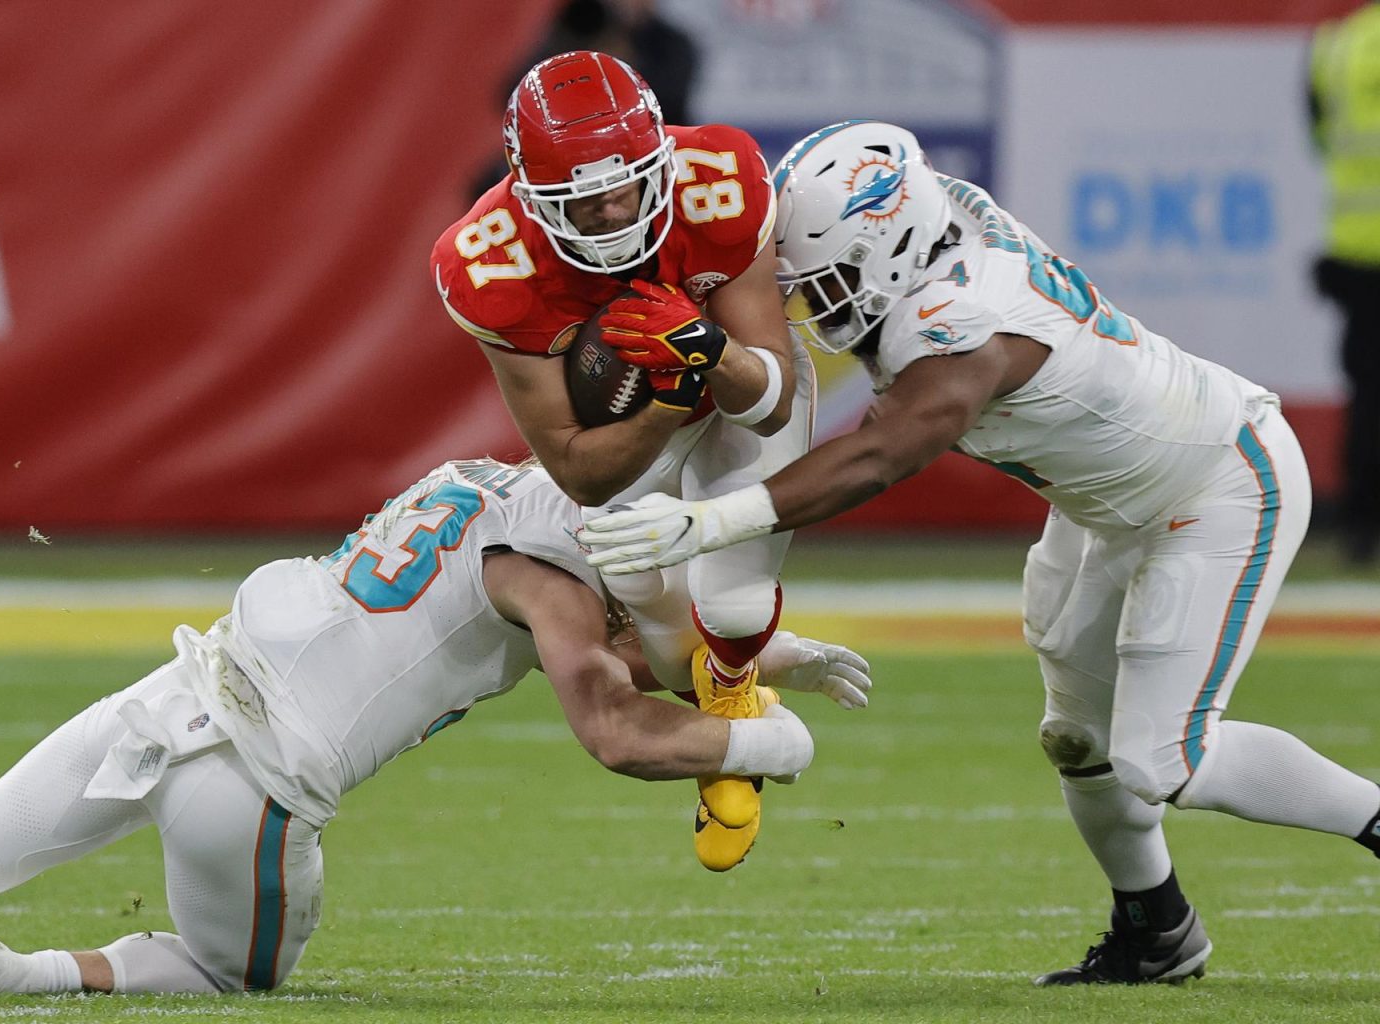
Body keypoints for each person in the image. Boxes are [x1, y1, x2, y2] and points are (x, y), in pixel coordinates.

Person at [579, 120, 1380, 985]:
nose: (817, 302)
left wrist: (709, 523)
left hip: (1219, 484)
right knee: (1079, 738)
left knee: (1165, 759)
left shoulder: (960, 313)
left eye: (836, 279)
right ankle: (1157, 930)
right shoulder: (927, 226)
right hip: (1106, 503)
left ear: (892, 245)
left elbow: (885, 453)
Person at [0, 458, 868, 996]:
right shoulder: (552, 576)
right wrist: (770, 742)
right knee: (225, 975)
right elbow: (615, 725)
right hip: (251, 789)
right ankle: (7, 971)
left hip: (173, 696)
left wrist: (776, 655)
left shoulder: (482, 482)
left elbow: (623, 629)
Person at [431, 50, 815, 849]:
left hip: (736, 390)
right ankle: (725, 686)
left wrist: (706, 352)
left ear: (660, 163)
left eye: (622, 186)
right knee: (646, 600)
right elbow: (576, 469)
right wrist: (669, 397)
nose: (609, 211)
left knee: (733, 602)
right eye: (580, 201)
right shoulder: (489, 263)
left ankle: (737, 701)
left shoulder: (720, 177)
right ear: (528, 198)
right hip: (635, 424)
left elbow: (773, 403)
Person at [1310, 2, 1380, 566]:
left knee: (1369, 400)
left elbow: (1322, 138)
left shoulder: (1336, 46)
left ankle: (1363, 527)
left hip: (1358, 251)